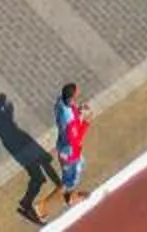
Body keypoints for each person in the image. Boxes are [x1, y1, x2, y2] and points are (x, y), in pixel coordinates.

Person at [36, 83, 88, 215]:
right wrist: (86, 121)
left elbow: (70, 113)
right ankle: (43, 205)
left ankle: (70, 194)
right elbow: (76, 139)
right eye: (76, 96)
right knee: (69, 182)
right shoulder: (70, 121)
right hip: (71, 153)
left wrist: (78, 111)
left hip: (62, 146)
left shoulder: (60, 103)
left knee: (79, 165)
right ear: (70, 98)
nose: (77, 98)